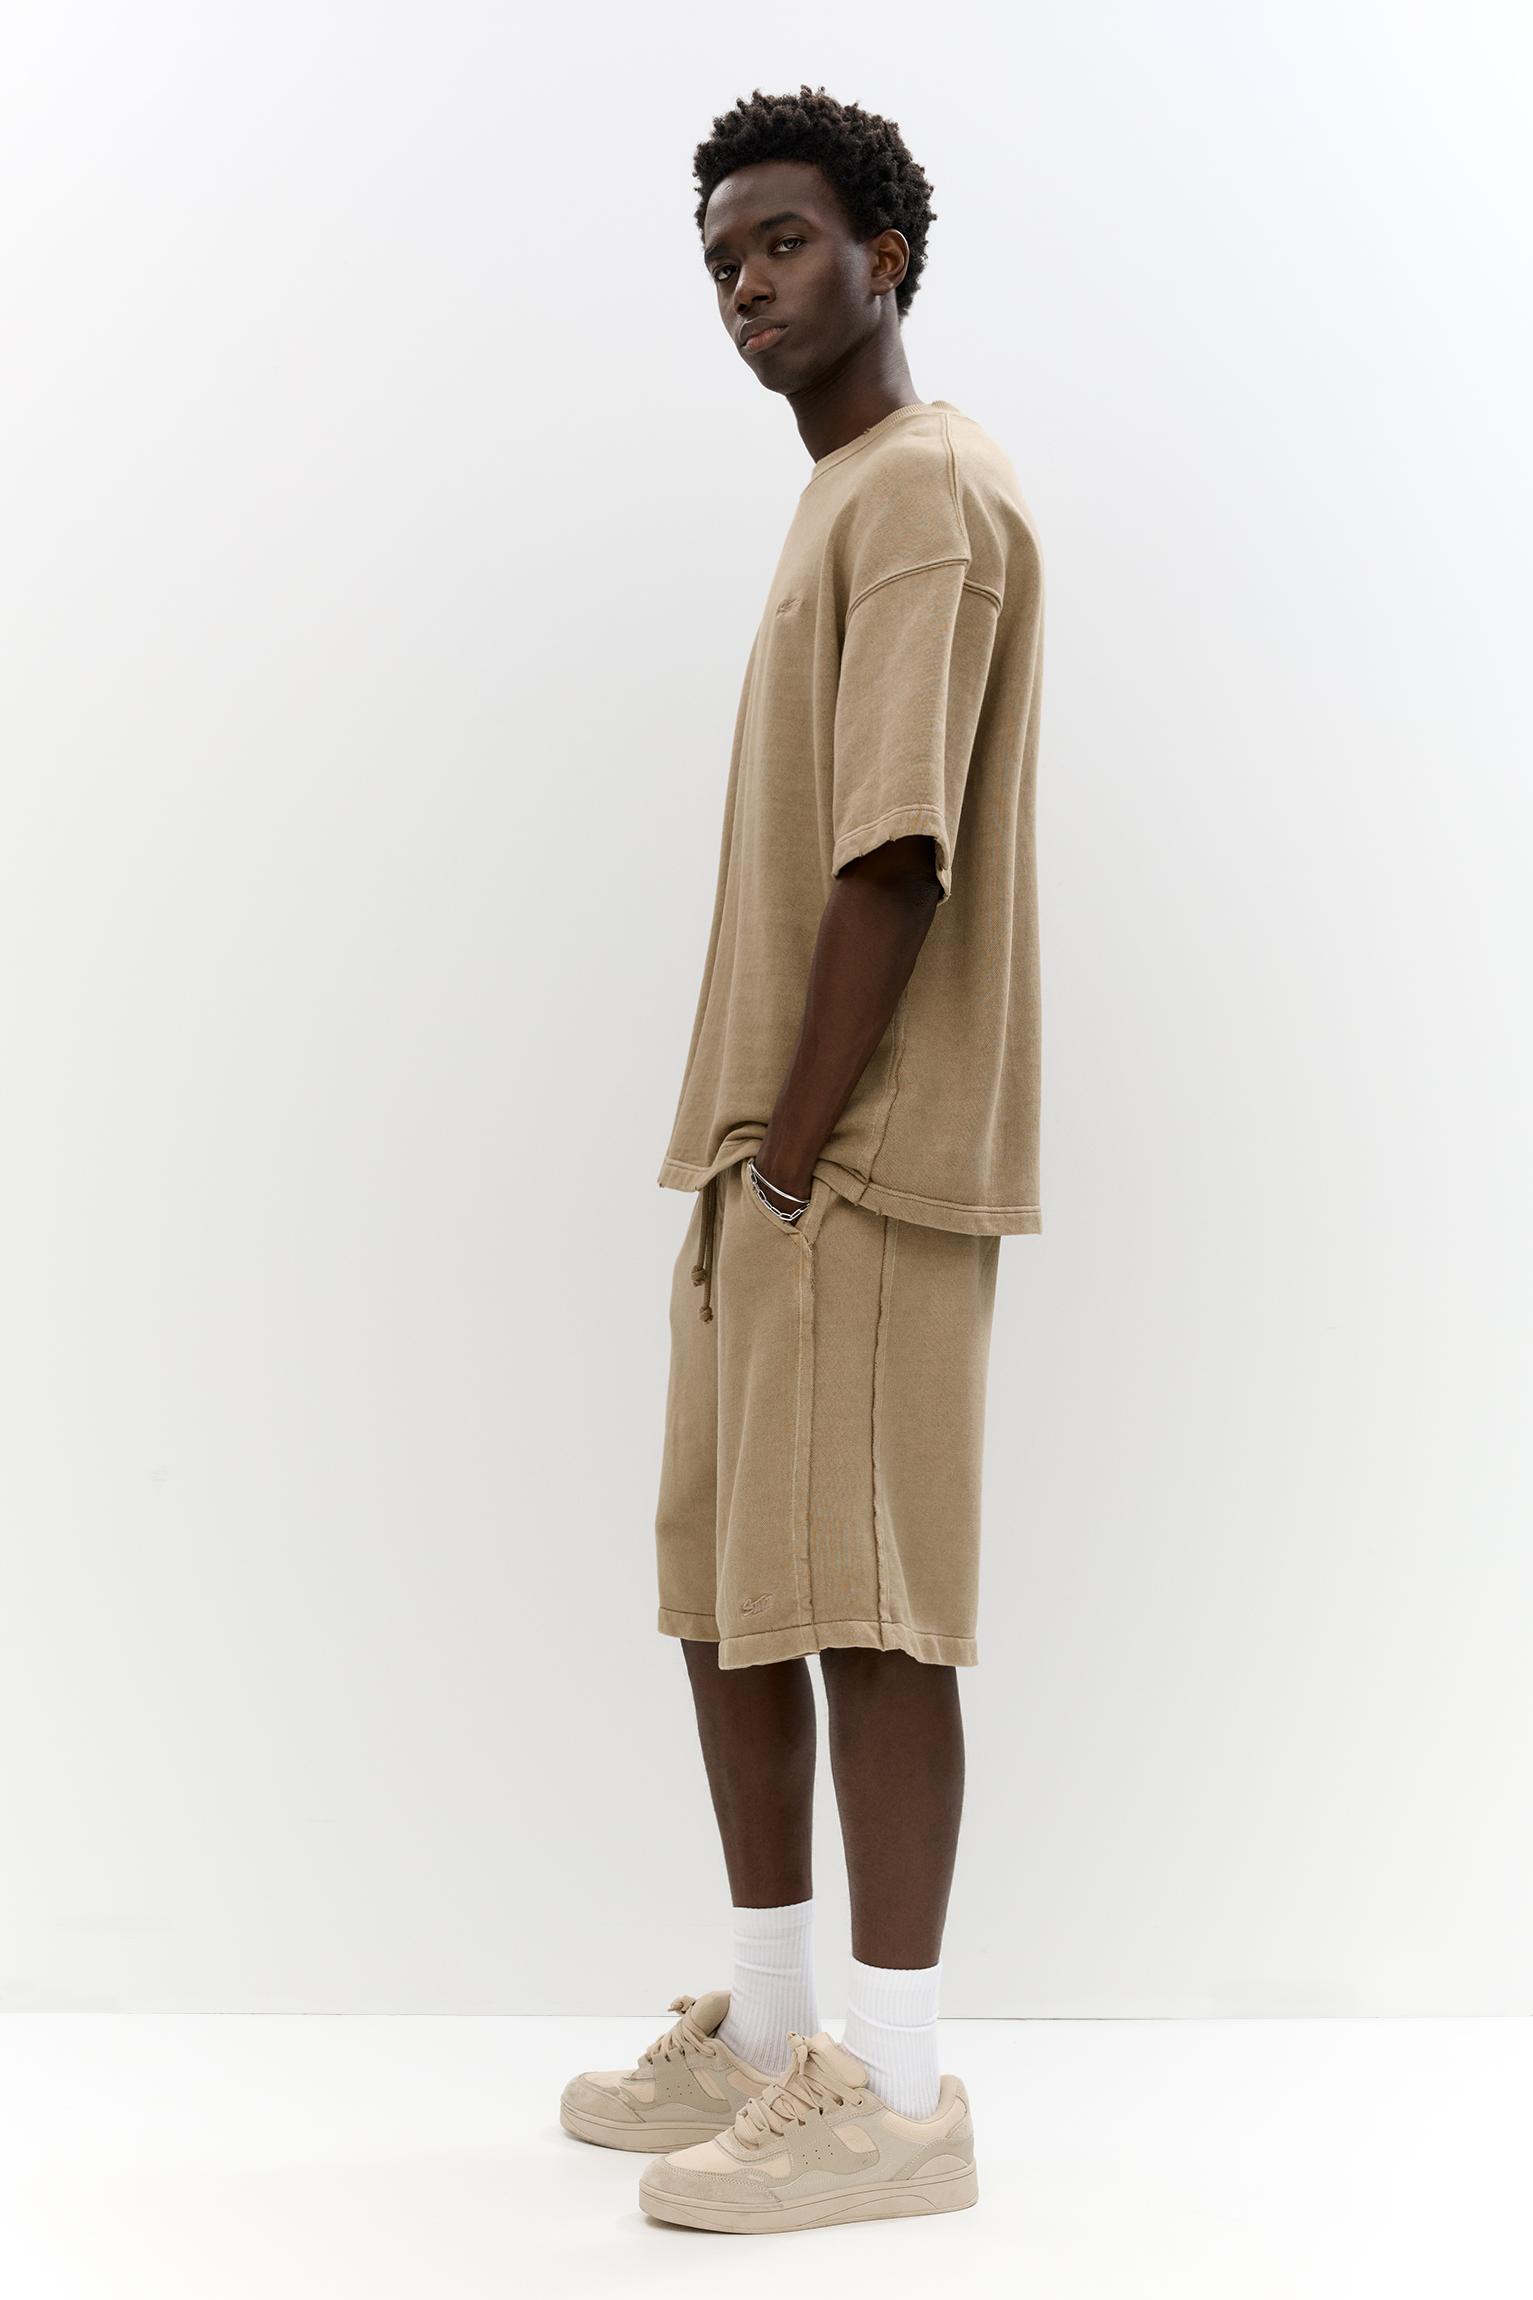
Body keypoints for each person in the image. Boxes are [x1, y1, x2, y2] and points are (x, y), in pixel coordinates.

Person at [560, 84, 1045, 2235]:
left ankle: (902, 2096)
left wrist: (793, 1154)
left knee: (868, 1612)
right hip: (763, 1154)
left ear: (883, 255)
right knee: (733, 1598)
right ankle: (770, 2032)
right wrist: (739, 1163)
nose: (744, 286)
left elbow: (894, 856)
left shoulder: (923, 487)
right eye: (719, 262)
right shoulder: (841, 495)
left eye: (780, 243)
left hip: (857, 1157)